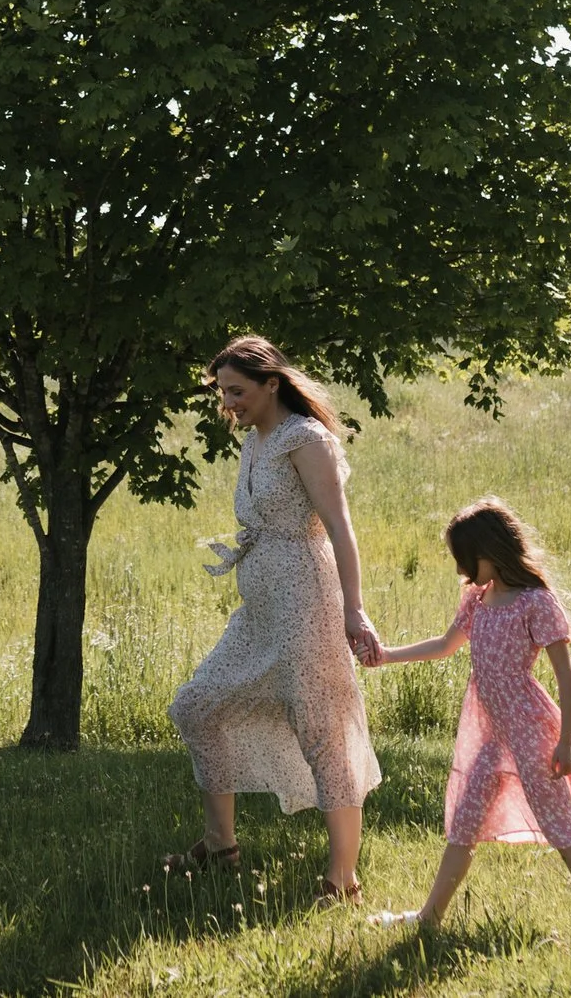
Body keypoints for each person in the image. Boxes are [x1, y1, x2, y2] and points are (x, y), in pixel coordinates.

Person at [165, 335, 383, 904]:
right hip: (261, 609)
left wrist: (353, 610)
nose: (227, 403)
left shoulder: (304, 439)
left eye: (236, 391)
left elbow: (340, 527)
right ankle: (220, 846)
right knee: (197, 704)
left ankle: (342, 880)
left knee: (319, 726)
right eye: (221, 393)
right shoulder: (255, 442)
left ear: (271, 383)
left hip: (306, 600)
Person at [360, 498, 571, 938]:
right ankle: (429, 918)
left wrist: (565, 741)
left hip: (531, 734)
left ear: (490, 550)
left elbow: (565, 677)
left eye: (467, 560)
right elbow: (445, 645)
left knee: (562, 831)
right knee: (464, 823)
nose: (464, 572)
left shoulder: (535, 602)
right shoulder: (477, 600)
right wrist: (386, 657)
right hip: (492, 734)